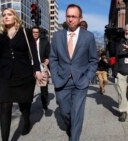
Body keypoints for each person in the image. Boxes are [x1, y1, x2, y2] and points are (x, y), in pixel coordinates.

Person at [49, 4, 98, 141]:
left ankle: (74, 137)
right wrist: (54, 75)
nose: (70, 19)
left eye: (73, 16)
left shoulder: (88, 37)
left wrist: (88, 77)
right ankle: (71, 128)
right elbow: (53, 58)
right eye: (68, 16)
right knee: (65, 112)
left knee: (77, 113)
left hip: (80, 81)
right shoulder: (57, 36)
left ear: (80, 18)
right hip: (61, 81)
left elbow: (94, 60)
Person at [0, 8, 43, 141]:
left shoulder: (25, 32)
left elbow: (33, 52)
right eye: (4, 15)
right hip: (4, 76)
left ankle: (26, 120)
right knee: (5, 107)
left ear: (15, 17)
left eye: (9, 14)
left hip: (24, 75)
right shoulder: (0, 34)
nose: (6, 17)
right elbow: (0, 55)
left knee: (24, 105)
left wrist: (37, 70)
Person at [32, 26, 50, 110]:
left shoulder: (45, 42)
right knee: (29, 88)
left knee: (43, 88)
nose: (35, 33)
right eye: (33, 32)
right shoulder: (28, 42)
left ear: (39, 33)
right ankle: (27, 106)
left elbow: (49, 54)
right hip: (30, 68)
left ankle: (44, 103)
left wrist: (48, 59)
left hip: (41, 67)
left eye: (36, 32)